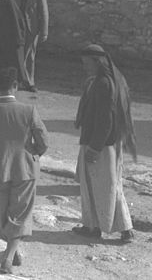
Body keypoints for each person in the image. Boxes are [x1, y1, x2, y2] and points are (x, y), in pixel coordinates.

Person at [0, 67, 49, 275]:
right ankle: (8, 256)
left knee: (1, 213)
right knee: (20, 213)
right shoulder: (29, 111)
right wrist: (34, 153)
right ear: (15, 86)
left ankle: (10, 251)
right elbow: (44, 140)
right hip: (25, 168)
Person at [72, 44, 136, 243]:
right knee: (110, 186)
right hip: (109, 143)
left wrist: (94, 147)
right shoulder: (113, 81)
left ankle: (93, 227)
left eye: (87, 63)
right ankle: (124, 228)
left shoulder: (103, 83)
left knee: (96, 187)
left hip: (100, 144)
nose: (85, 67)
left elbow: (105, 119)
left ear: (97, 62)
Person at [12, 0, 48, 92]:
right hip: (18, 29)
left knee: (29, 56)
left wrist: (44, 32)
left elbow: (44, 13)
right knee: (17, 54)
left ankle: (29, 82)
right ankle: (18, 80)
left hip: (31, 29)